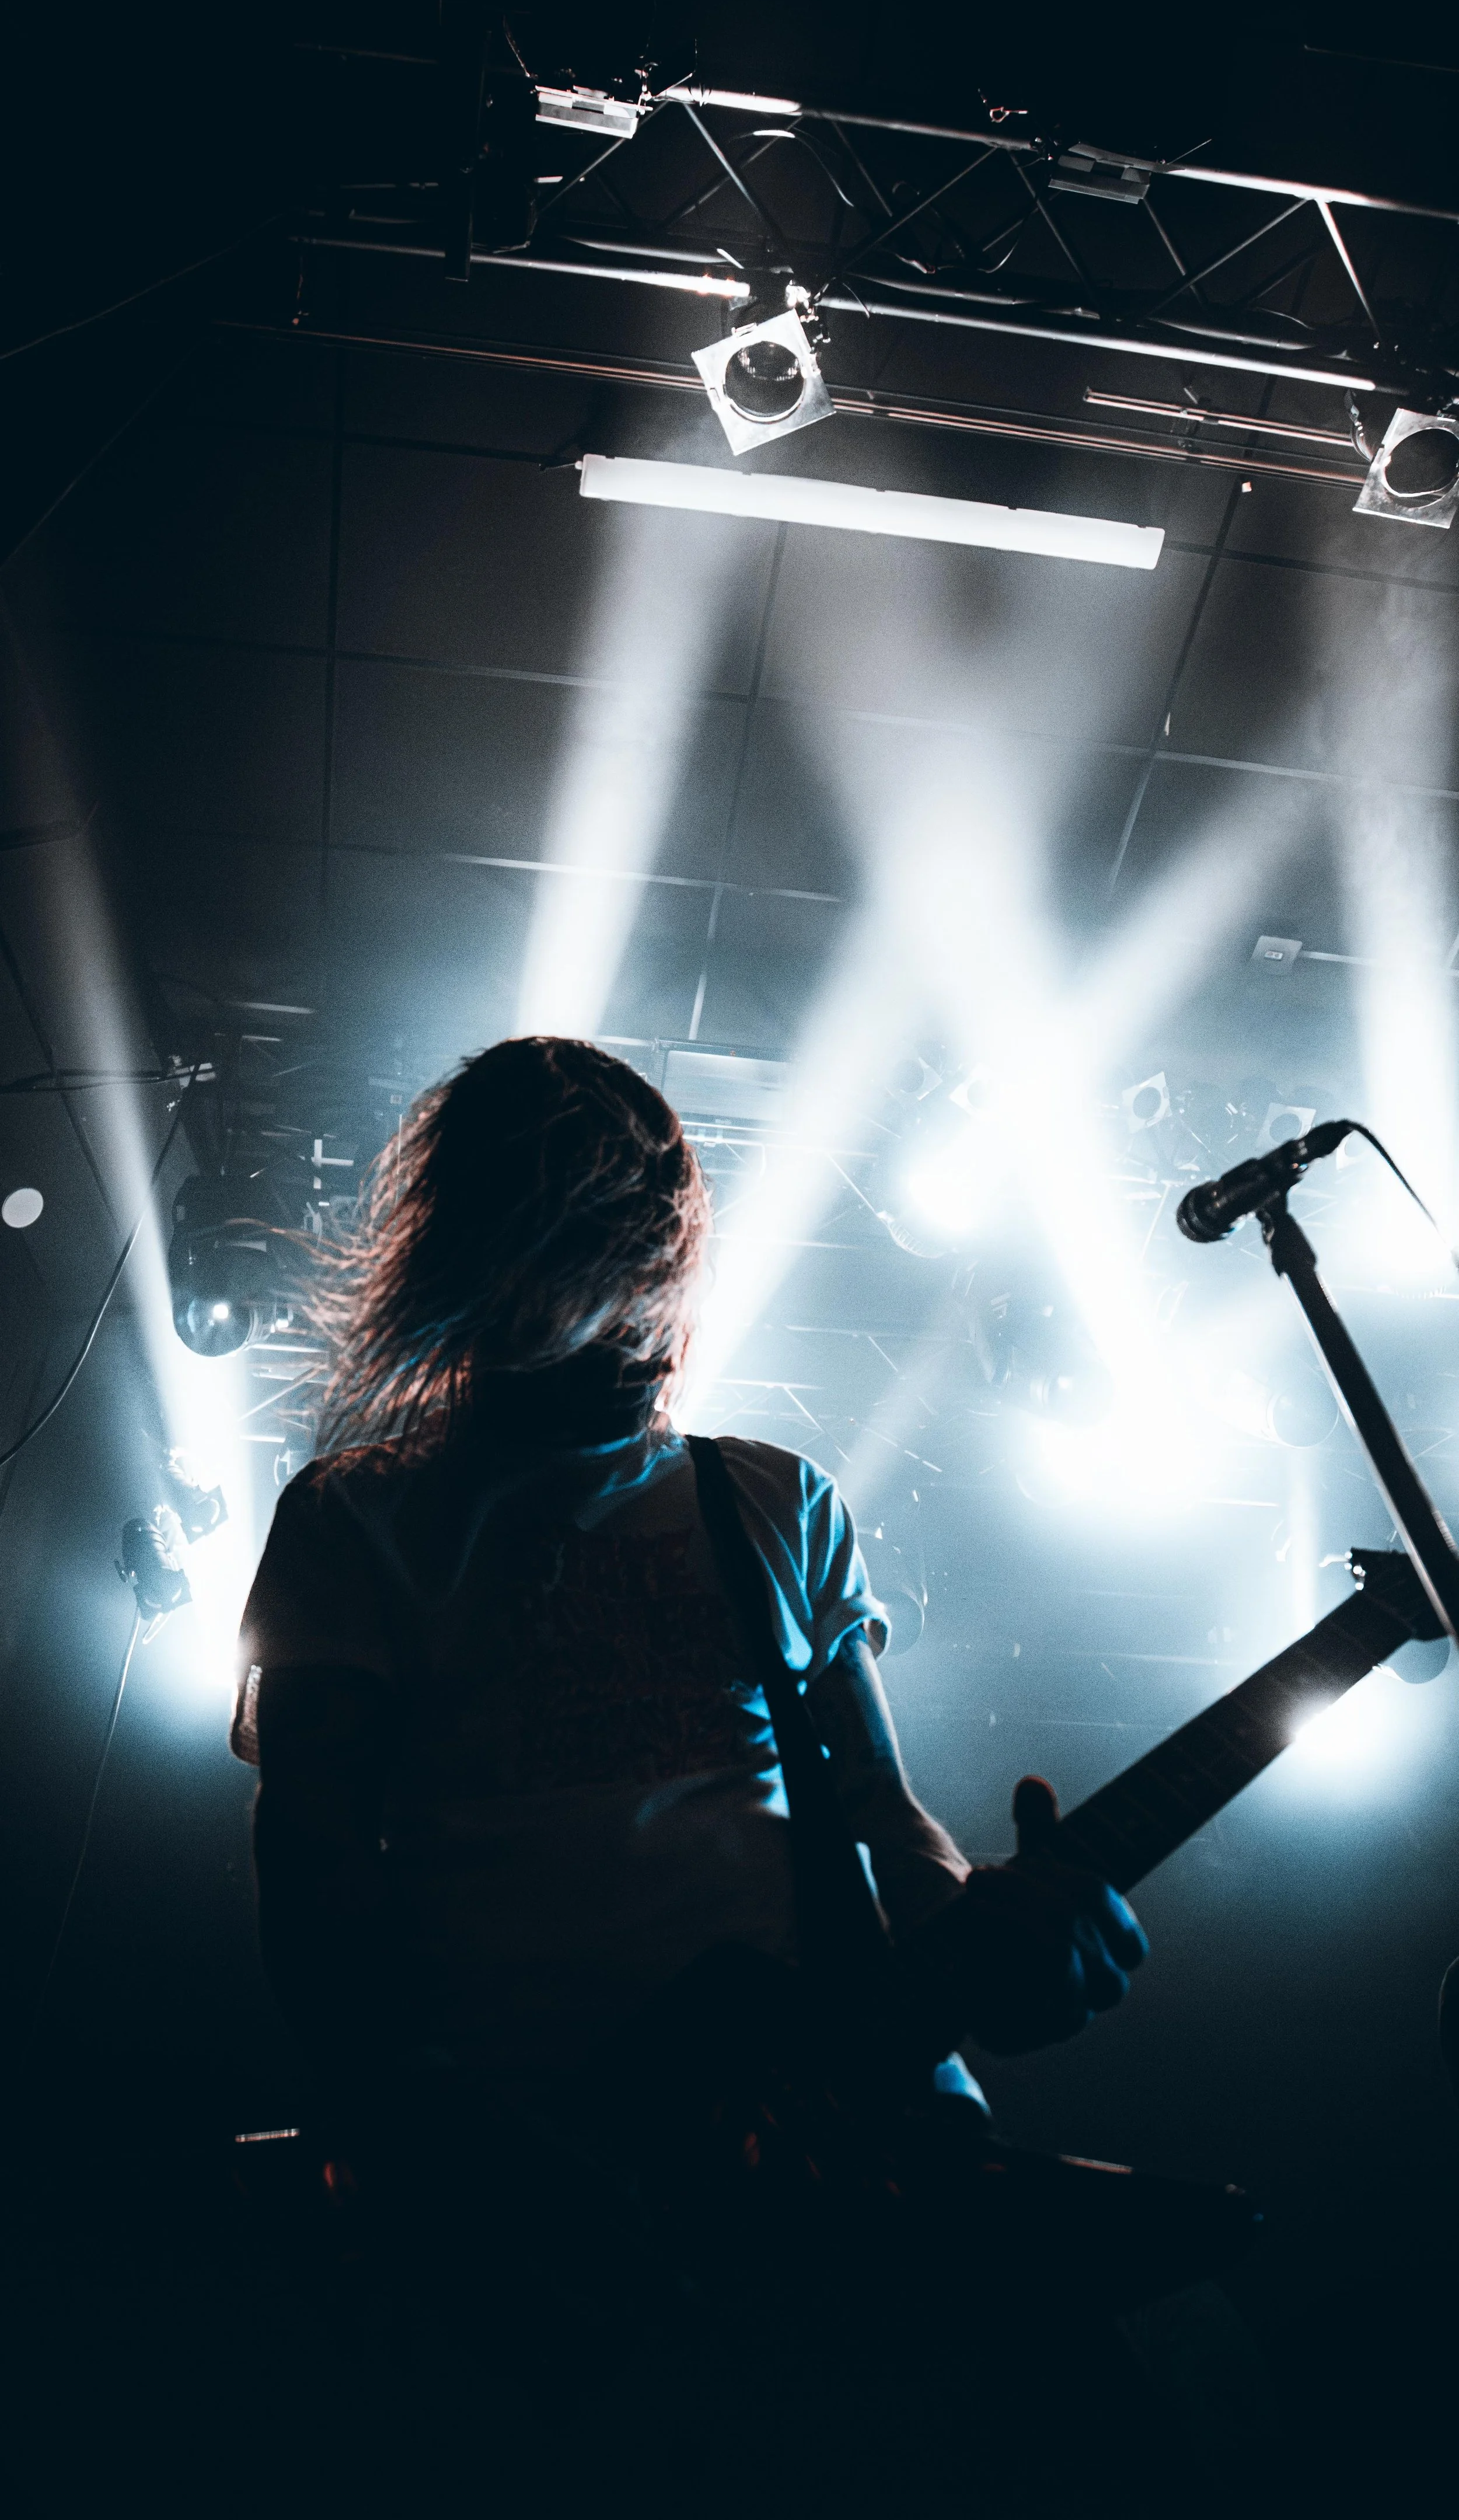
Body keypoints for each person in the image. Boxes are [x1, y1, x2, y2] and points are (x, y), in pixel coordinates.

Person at [232, 1037, 1153, 2506]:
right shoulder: (362, 1517)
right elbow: (314, 1860)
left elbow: (873, 1804)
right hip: (535, 2177)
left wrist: (990, 1921)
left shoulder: (769, 1498)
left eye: (620, 1218)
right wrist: (426, 2139)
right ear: (475, 1241)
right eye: (555, 1218)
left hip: (836, 2142)